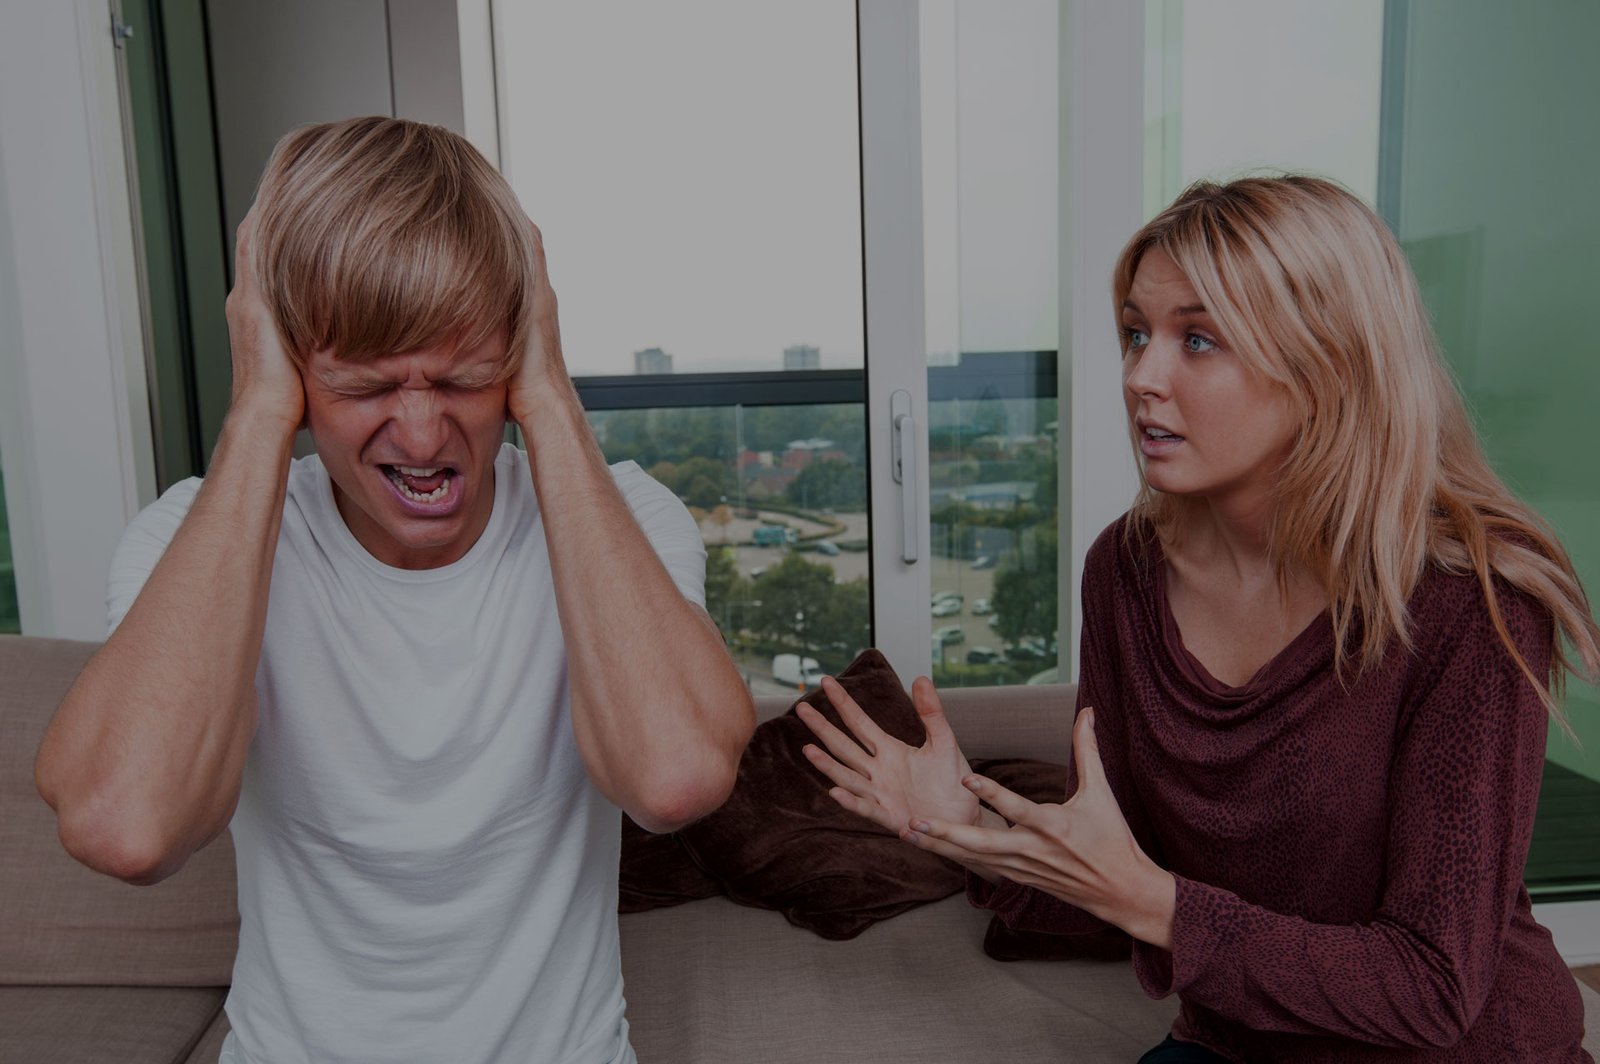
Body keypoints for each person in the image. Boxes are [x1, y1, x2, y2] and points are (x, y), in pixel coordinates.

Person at [799, 175, 1599, 1063]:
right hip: (1236, 1044)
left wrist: (1152, 902)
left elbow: (1435, 988)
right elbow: (1121, 873)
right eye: (1138, 332)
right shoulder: (1126, 572)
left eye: (1199, 339)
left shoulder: (1471, 601)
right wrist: (975, 832)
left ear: (1327, 362)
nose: (1142, 376)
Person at [34, 116, 755, 1064]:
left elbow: (675, 779)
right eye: (365, 385)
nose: (421, 437)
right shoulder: (190, 538)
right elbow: (127, 826)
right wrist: (257, 410)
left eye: (462, 376)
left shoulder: (620, 519)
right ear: (292, 368)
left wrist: (547, 395)